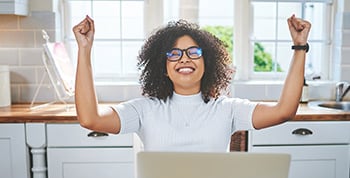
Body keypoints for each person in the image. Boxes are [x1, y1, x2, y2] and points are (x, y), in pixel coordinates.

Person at [72, 15, 311, 152]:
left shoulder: (227, 109)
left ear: (207, 63)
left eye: (193, 52)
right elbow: (90, 119)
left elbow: (284, 111)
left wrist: (300, 47)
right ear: (163, 68)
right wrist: (84, 50)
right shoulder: (143, 109)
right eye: (174, 54)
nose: (184, 58)